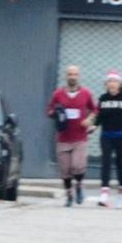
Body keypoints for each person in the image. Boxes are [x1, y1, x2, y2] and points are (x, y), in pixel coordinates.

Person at [49, 66, 96, 207]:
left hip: (80, 137)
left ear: (79, 76)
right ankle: (69, 194)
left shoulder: (86, 93)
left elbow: (94, 109)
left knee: (78, 166)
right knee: (65, 170)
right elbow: (49, 110)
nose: (72, 77)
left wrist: (90, 120)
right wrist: (56, 113)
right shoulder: (58, 94)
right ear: (66, 76)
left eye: (75, 74)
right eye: (70, 74)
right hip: (63, 137)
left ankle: (79, 185)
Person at [95, 71, 122, 207]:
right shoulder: (103, 98)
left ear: (120, 84)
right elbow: (99, 116)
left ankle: (120, 193)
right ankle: (104, 193)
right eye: (110, 81)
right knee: (106, 162)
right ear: (106, 84)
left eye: (115, 81)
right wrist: (93, 126)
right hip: (106, 135)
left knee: (120, 164)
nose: (112, 84)